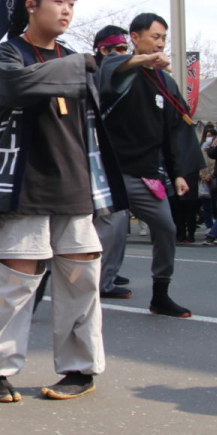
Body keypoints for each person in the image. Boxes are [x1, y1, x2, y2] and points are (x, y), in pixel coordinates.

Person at [0, 0, 108, 403]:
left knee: (82, 281)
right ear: (31, 5)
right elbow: (16, 86)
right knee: (14, 284)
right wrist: (84, 65)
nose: (67, 10)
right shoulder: (9, 53)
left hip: (75, 183)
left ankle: (81, 368)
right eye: (58, 0)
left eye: (72, 3)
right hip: (24, 184)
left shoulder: (74, 57)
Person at [96, 12, 204, 316]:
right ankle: (81, 292)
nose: (160, 43)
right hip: (110, 173)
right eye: (155, 37)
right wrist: (144, 61)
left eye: (163, 38)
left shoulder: (165, 82)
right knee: (105, 235)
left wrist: (179, 173)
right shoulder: (120, 69)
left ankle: (160, 295)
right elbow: (108, 69)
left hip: (145, 174)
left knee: (166, 227)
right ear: (135, 37)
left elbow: (175, 130)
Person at [88, 24, 135, 299]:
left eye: (125, 49)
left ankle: (109, 272)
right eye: (116, 49)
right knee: (110, 218)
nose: (121, 54)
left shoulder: (124, 78)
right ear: (103, 50)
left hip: (117, 158)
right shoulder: (93, 74)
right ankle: (100, 280)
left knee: (119, 217)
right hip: (95, 158)